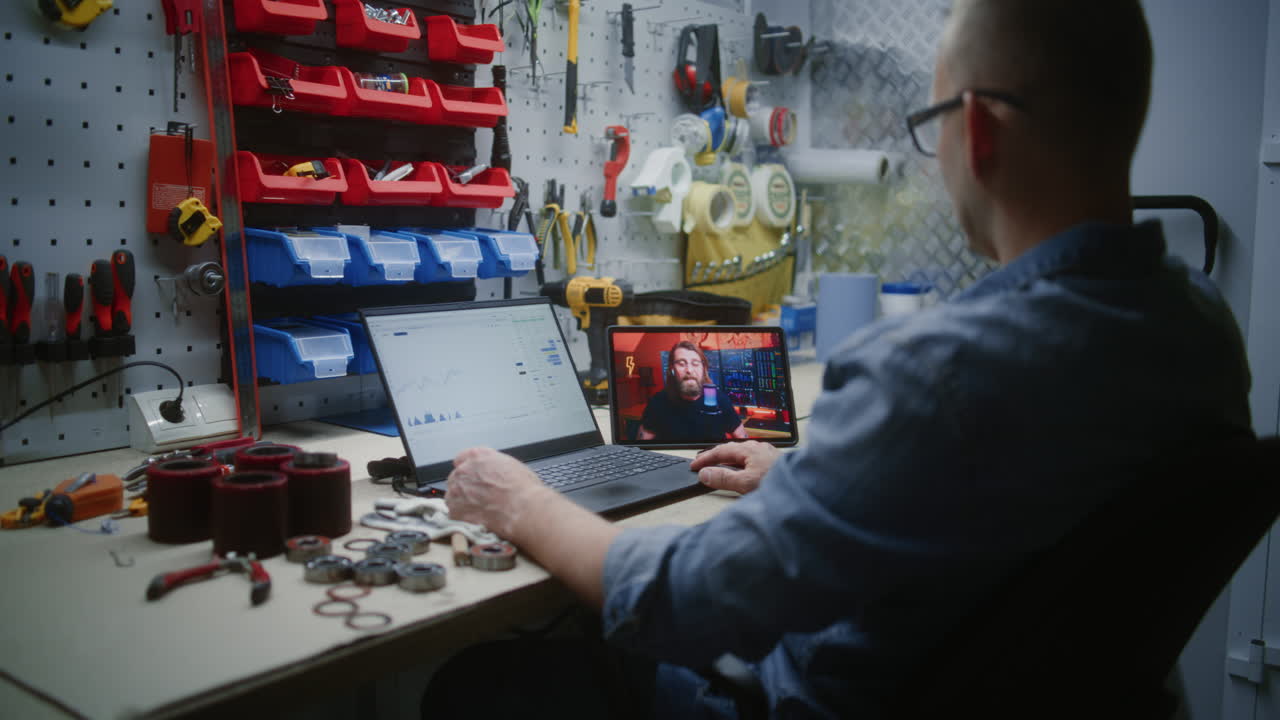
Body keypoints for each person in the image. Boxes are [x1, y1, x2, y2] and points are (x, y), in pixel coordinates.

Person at [433, 1, 1253, 717]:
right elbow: (1008, 511)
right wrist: (815, 485)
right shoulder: (1202, 330)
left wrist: (523, 503)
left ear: (975, 132)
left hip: (809, 703)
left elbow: (684, 603)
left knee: (476, 683)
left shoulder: (939, 369)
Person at [636, 340, 748, 443]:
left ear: (703, 369)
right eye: (681, 363)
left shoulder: (720, 400)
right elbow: (641, 447)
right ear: (672, 369)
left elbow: (743, 441)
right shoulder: (658, 402)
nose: (689, 370)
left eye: (695, 363)